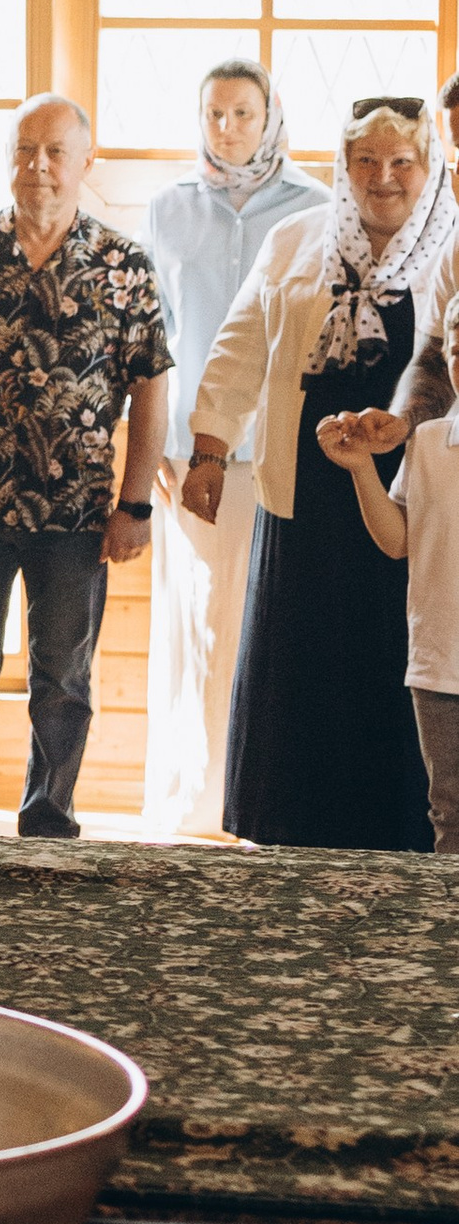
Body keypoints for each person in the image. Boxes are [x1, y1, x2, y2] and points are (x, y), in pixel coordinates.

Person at [0, 96, 170, 839]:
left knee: (63, 681)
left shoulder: (125, 265)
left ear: (86, 160)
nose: (38, 167)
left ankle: (48, 819)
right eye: (24, 150)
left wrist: (136, 503)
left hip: (77, 518)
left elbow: (151, 386)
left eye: (54, 151)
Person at [186, 98, 453, 852]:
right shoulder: (296, 238)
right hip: (303, 491)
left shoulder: (452, 246)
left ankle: (403, 834)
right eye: (366, 160)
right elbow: (239, 346)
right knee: (301, 670)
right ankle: (290, 828)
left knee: (397, 665)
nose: (383, 177)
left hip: (414, 495)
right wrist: (210, 451)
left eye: (402, 161)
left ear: (427, 168)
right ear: (344, 167)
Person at [140, 61, 325, 832]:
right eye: (215, 114)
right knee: (198, 623)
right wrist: (151, 441)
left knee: (266, 620)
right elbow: (156, 338)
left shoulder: (315, 207)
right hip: (192, 446)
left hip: (279, 446)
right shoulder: (168, 208)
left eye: (243, 113)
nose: (228, 128)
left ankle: (260, 790)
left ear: (271, 114)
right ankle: (193, 800)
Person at [313, 405, 459, 854]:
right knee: (450, 814)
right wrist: (361, 469)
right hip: (440, 660)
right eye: (456, 351)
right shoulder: (429, 440)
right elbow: (397, 540)